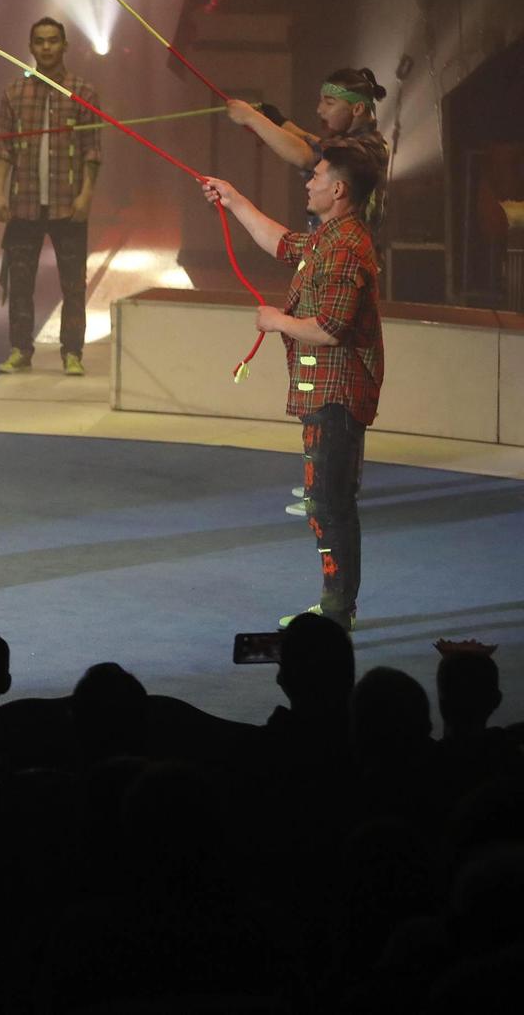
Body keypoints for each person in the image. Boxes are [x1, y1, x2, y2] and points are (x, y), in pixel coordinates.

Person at [201, 142, 385, 630]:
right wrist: (233, 198)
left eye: (317, 176)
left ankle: (335, 610)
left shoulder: (345, 247)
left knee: (329, 503)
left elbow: (330, 328)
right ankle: (337, 606)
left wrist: (276, 320)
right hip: (324, 389)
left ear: (339, 189)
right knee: (328, 502)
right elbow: (282, 242)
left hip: (336, 393)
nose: (308, 182)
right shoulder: (330, 236)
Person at [0, 17, 101, 375]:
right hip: (24, 201)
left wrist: (86, 195)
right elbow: (2, 149)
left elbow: (92, 151)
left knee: (73, 284)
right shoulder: (14, 93)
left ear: (65, 45)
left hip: (67, 203)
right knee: (20, 282)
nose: (47, 47)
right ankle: (20, 349)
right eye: (40, 41)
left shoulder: (83, 92)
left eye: (53, 41)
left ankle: (73, 353)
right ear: (31, 47)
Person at [225, 67, 390, 223]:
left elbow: (305, 156)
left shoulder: (367, 148)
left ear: (358, 108)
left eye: (329, 103)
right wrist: (279, 121)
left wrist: (252, 118)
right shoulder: (361, 142)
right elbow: (318, 144)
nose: (320, 109)